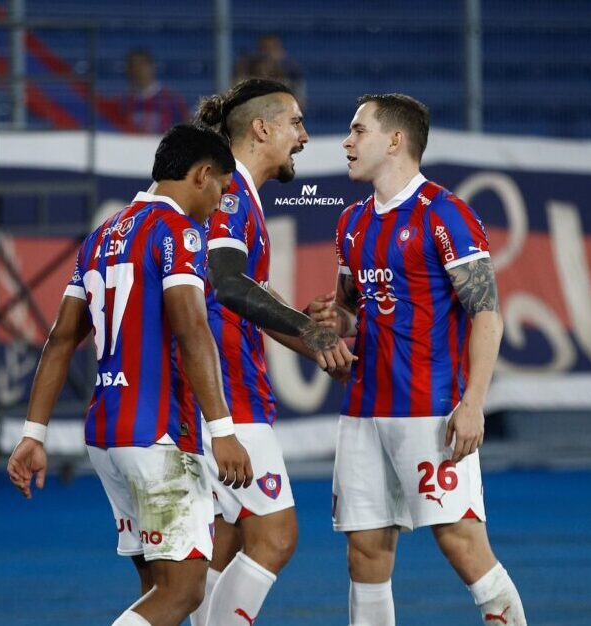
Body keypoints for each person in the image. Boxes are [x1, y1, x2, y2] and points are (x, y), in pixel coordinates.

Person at [7, 124, 254, 626]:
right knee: (183, 592)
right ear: (202, 175)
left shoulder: (102, 235)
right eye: (222, 190)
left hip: (108, 434)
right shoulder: (179, 231)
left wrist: (34, 433)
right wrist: (224, 431)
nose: (220, 204)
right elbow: (191, 328)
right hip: (159, 436)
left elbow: (60, 339)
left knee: (155, 590)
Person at [307, 94, 528, 625]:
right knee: (364, 553)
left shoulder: (446, 214)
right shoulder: (351, 224)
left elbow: (487, 314)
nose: (347, 142)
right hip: (362, 411)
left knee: (462, 544)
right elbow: (352, 312)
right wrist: (332, 327)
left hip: (429, 410)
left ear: (395, 140)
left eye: (359, 131)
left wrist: (473, 402)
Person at [185, 78, 354, 626]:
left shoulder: (233, 195)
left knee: (229, 538)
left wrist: (312, 336)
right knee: (277, 536)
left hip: (208, 394)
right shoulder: (232, 191)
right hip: (229, 396)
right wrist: (315, 335)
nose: (304, 137)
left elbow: (243, 293)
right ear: (263, 129)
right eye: (296, 124)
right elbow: (229, 285)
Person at [114, 49, 190, 134]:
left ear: (152, 67)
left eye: (141, 65)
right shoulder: (122, 102)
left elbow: (188, 125)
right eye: (132, 66)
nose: (137, 70)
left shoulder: (172, 99)